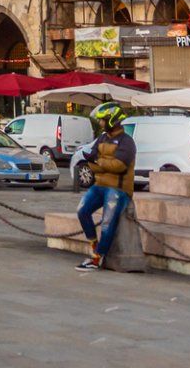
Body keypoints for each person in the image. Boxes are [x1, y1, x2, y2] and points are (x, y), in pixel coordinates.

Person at [75, 102, 136, 271]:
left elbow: (119, 166)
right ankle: (94, 247)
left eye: (104, 120)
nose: (101, 123)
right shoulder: (102, 138)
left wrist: (98, 162)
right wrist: (97, 162)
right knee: (82, 210)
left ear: (112, 120)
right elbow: (92, 162)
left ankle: (98, 258)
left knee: (107, 222)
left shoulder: (126, 142)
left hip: (118, 188)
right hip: (100, 185)